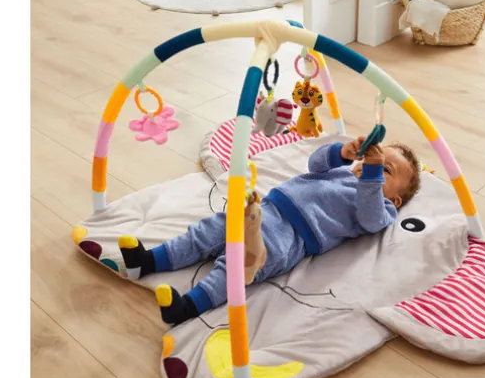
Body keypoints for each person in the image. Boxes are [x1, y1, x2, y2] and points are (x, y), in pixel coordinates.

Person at [118, 136, 421, 326]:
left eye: (385, 169)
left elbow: (370, 217)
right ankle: (148, 260)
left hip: (292, 236)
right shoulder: (343, 170)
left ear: (395, 199)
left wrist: (371, 175)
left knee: (239, 264)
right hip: (269, 208)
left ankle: (187, 306)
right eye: (372, 159)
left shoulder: (381, 206)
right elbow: (315, 164)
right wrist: (343, 152)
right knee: (208, 231)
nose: (371, 166)